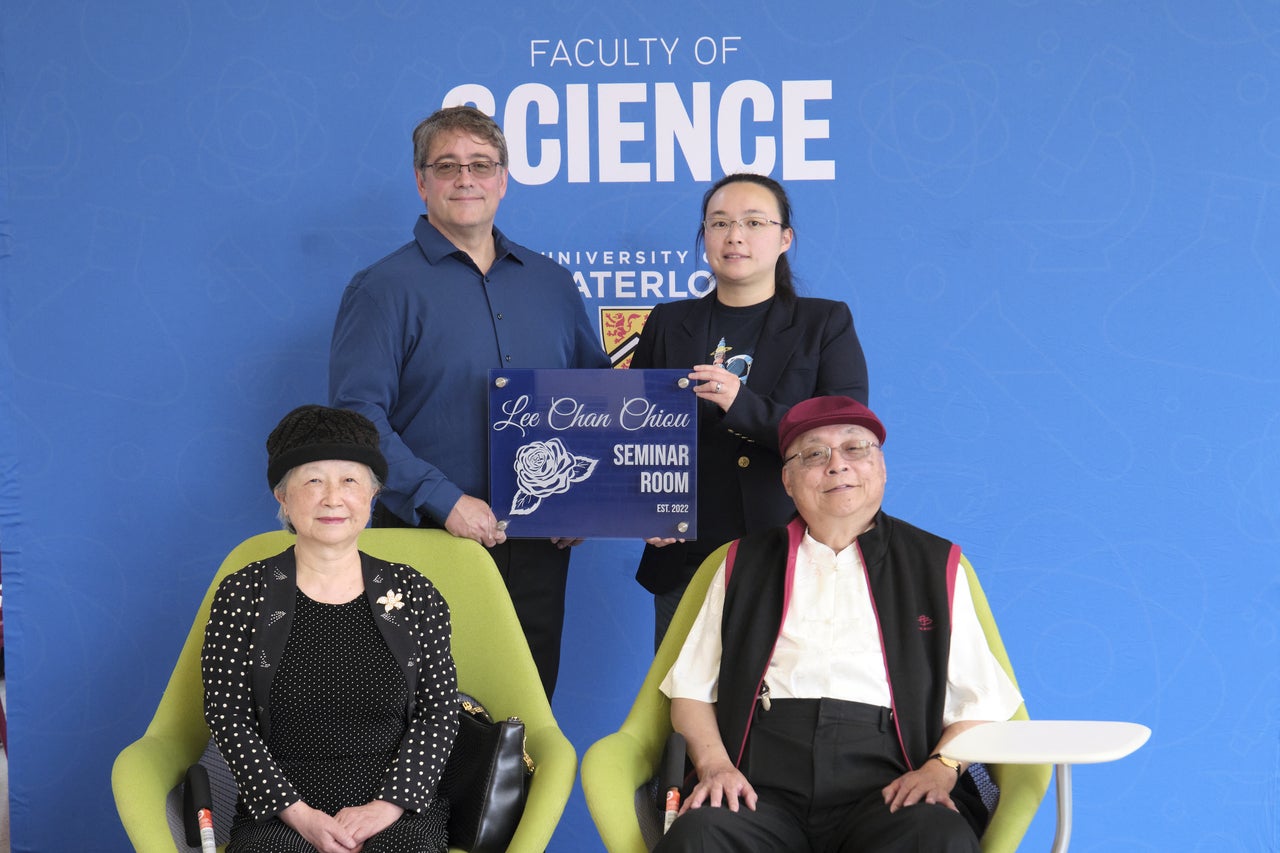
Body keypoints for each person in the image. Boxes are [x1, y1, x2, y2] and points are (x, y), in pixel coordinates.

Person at [656, 396, 1023, 853]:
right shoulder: (741, 563)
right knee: (701, 835)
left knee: (937, 836)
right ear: (788, 481)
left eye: (855, 449)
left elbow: (981, 702)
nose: (837, 466)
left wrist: (940, 769)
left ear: (881, 468)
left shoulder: (935, 564)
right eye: (814, 454)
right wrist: (714, 766)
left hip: (889, 787)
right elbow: (690, 691)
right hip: (758, 786)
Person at [329, 105, 609, 699]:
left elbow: (597, 397)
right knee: (418, 731)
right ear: (420, 180)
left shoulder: (552, 283)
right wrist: (443, 499)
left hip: (538, 549)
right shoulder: (382, 288)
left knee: (526, 721)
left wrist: (584, 501)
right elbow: (356, 418)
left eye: (481, 165)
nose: (466, 178)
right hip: (427, 543)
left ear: (503, 179)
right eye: (447, 165)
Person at [202, 405, 458, 853]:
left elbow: (439, 709)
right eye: (314, 480)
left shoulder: (413, 592)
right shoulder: (242, 592)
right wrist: (299, 815)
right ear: (283, 496)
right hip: (281, 809)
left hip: (397, 805)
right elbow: (228, 716)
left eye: (350, 481)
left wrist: (387, 806)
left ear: (373, 495)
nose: (333, 498)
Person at [630, 173, 869, 649]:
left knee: (780, 712)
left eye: (753, 222)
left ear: (785, 239)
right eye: (719, 223)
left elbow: (846, 439)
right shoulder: (668, 321)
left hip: (790, 552)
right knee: (684, 713)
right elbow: (633, 433)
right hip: (685, 559)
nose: (734, 235)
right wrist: (641, 511)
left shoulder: (824, 323)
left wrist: (742, 405)